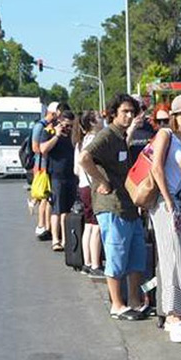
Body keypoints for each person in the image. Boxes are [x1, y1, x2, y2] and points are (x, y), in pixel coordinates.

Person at [78, 93, 148, 321]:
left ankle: (135, 300)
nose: (129, 115)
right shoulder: (107, 135)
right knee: (117, 255)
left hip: (129, 206)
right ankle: (117, 304)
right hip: (112, 206)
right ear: (113, 113)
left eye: (132, 111)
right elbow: (84, 158)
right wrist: (101, 180)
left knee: (137, 256)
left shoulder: (121, 137)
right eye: (125, 111)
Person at [148, 94, 181, 343]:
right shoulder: (165, 135)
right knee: (171, 259)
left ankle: (179, 313)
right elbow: (156, 167)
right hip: (164, 203)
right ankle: (172, 316)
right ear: (174, 116)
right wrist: (168, 200)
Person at [38, 109, 77, 252]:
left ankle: (66, 240)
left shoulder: (73, 135)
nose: (68, 128)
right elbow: (43, 149)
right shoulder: (48, 132)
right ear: (59, 122)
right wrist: (57, 135)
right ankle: (55, 239)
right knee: (57, 209)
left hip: (71, 175)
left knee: (67, 210)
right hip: (56, 175)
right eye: (66, 125)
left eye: (71, 125)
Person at [73, 110, 104, 279]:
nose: (103, 120)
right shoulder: (95, 141)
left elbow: (76, 170)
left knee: (89, 225)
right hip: (93, 186)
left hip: (83, 185)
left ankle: (87, 262)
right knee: (97, 225)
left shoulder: (80, 142)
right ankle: (95, 264)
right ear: (92, 123)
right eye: (99, 118)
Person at [31, 102, 60, 241]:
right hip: (42, 166)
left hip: (48, 166)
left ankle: (47, 226)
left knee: (48, 199)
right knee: (44, 197)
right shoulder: (40, 127)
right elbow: (36, 147)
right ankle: (41, 226)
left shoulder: (51, 127)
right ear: (53, 113)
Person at [127, 95, 156, 164]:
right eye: (137, 110)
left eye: (143, 108)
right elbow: (121, 150)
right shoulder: (124, 128)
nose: (141, 113)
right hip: (131, 170)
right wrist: (131, 129)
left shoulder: (151, 127)